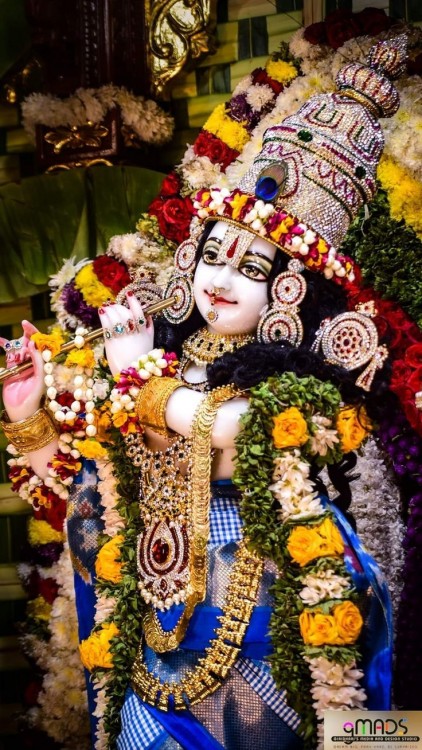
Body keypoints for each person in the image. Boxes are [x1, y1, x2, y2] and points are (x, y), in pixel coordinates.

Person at [0, 35, 405, 750]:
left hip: (269, 610)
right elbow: (87, 489)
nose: (219, 278)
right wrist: (29, 415)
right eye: (213, 254)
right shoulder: (162, 355)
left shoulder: (307, 382)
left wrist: (135, 382)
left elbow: (238, 428)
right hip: (154, 621)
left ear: (291, 286)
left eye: (250, 267)